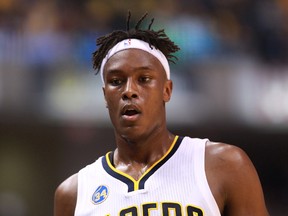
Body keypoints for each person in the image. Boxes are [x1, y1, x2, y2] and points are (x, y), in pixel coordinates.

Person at [54, 12, 269, 216]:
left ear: (166, 90)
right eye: (116, 81)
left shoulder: (225, 165)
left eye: (144, 79)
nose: (129, 90)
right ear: (104, 96)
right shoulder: (74, 193)